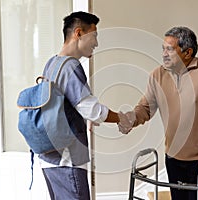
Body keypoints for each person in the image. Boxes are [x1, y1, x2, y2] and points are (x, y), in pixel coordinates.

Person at [118, 26, 198, 200]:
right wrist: (129, 119)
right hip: (173, 158)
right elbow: (145, 108)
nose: (164, 53)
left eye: (170, 49)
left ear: (188, 52)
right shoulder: (157, 76)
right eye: (163, 48)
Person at [38, 11, 125, 200]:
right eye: (94, 36)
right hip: (68, 160)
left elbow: (61, 106)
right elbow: (93, 111)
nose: (96, 43)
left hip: (50, 159)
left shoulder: (52, 64)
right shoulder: (70, 66)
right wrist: (122, 118)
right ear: (78, 33)